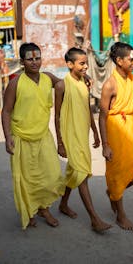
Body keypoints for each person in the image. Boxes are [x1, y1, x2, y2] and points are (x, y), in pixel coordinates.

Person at [1, 42, 65, 230]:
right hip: (21, 138)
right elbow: (6, 112)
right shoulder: (15, 83)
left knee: (51, 175)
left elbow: (63, 84)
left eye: (38, 58)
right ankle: (30, 211)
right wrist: (7, 137)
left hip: (44, 136)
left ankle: (44, 208)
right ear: (22, 62)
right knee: (27, 179)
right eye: (30, 59)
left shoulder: (47, 78)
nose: (35, 62)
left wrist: (82, 75)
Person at [54, 47, 112, 233]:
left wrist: (95, 131)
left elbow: (87, 109)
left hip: (82, 134)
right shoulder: (62, 86)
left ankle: (63, 205)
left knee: (74, 172)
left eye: (86, 63)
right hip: (70, 136)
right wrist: (60, 143)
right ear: (69, 64)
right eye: (81, 63)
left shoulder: (85, 84)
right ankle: (94, 219)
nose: (86, 66)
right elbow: (56, 117)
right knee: (82, 174)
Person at [98, 42, 133, 231]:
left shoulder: (132, 79)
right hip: (115, 132)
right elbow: (102, 116)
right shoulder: (110, 84)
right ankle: (121, 216)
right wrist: (105, 145)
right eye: (130, 59)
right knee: (117, 173)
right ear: (119, 61)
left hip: (130, 131)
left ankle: (112, 192)